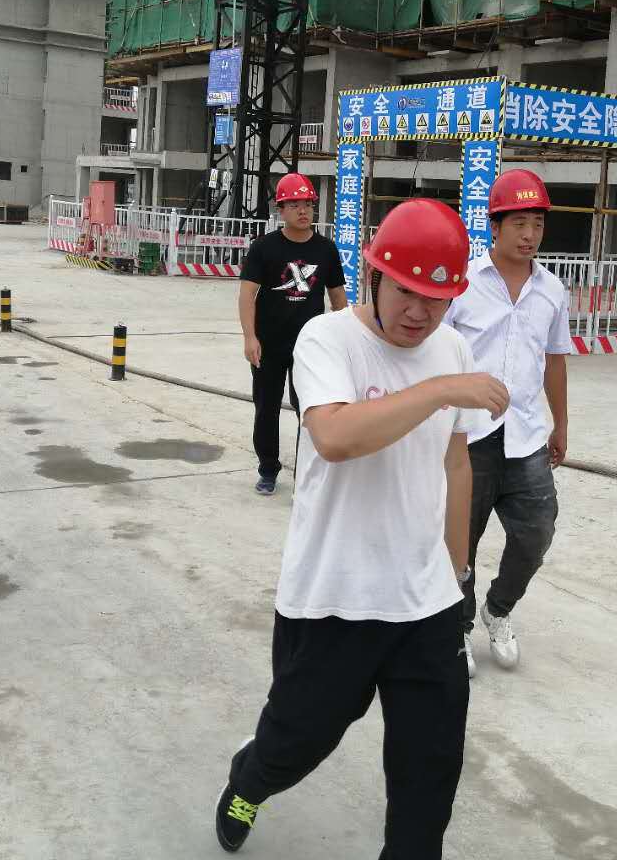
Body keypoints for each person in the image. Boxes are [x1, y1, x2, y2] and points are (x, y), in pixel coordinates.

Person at [215, 198, 509, 858]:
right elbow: (336, 436)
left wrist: (458, 571)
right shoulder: (328, 339)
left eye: (437, 299)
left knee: (429, 771)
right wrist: (441, 389)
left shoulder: (452, 347)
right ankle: (250, 778)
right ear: (374, 275)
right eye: (406, 291)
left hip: (425, 601)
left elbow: (455, 462)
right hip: (334, 597)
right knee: (299, 742)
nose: (419, 313)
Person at [443, 169, 572, 678]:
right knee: (460, 539)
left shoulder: (552, 290)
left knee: (537, 532)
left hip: (526, 436)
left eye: (537, 224)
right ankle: (456, 627)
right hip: (467, 435)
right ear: (494, 227)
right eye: (519, 223)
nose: (529, 234)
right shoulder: (464, 283)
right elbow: (434, 351)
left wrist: (561, 424)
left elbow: (555, 359)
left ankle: (497, 609)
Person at [238, 172, 347, 495]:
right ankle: (267, 469)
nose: (303, 211)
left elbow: (338, 298)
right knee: (266, 409)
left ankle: (306, 475)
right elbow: (247, 295)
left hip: (310, 347)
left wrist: (343, 339)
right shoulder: (264, 248)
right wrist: (250, 337)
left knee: (311, 412)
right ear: (281, 210)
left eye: (308, 205)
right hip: (268, 344)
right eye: (295, 205)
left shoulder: (326, 250)